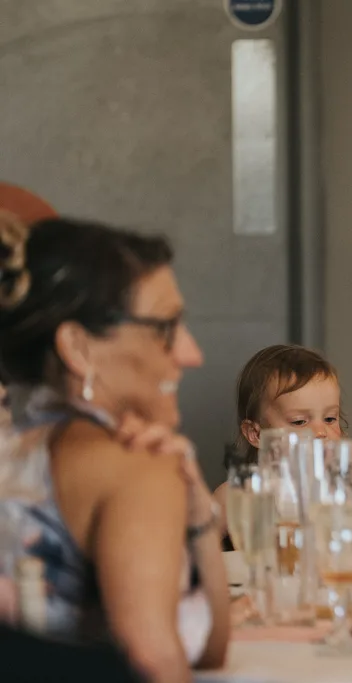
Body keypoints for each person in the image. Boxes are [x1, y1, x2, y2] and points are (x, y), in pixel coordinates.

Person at [0, 214, 229, 682]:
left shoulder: (18, 446)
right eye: (165, 327)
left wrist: (197, 511)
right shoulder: (131, 467)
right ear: (78, 347)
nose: (190, 353)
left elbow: (207, 648)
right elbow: (154, 661)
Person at [213, 344, 352, 547]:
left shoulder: (348, 486)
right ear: (256, 434)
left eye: (330, 418)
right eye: (299, 422)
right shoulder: (240, 494)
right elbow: (194, 555)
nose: (321, 432)